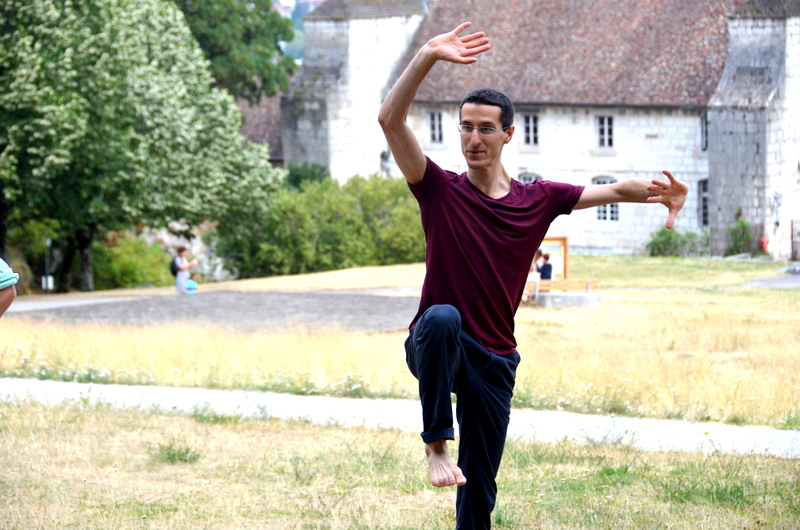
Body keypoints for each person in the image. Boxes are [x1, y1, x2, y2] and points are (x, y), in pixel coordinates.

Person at [378, 21, 687, 529]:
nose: (472, 139)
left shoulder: (537, 199)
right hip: (439, 348)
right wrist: (429, 55)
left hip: (496, 360)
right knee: (439, 318)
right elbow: (391, 120)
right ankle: (436, 444)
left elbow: (608, 190)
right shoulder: (438, 188)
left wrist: (662, 193)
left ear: (508, 134)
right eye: (465, 127)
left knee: (479, 488)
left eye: (484, 128)